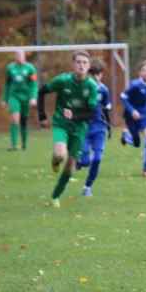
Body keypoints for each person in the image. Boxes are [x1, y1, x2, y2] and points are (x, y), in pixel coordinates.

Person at [37, 50, 99, 208]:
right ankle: (55, 158)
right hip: (61, 124)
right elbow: (42, 91)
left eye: (84, 63)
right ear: (73, 65)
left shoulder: (91, 86)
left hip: (79, 128)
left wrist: (75, 117)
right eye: (78, 62)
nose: (81, 66)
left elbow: (91, 113)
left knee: (70, 165)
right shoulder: (63, 81)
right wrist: (42, 115)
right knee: (60, 155)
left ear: (89, 66)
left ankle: (55, 196)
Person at [76, 58, 112, 197]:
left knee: (97, 159)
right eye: (93, 74)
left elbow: (106, 109)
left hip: (99, 128)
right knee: (85, 161)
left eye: (98, 74)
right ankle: (80, 161)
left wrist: (109, 126)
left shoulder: (104, 90)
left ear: (101, 75)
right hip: (84, 126)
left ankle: (87, 187)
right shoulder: (81, 88)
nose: (96, 77)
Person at [120, 60, 146, 176]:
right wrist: (132, 111)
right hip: (131, 116)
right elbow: (123, 97)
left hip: (145, 115)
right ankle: (126, 137)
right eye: (144, 70)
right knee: (137, 143)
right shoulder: (134, 85)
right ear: (139, 73)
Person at [1, 50, 38, 151]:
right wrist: (4, 99)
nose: (18, 56)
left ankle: (24, 145)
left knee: (23, 121)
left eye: (20, 54)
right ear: (14, 56)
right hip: (14, 97)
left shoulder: (30, 68)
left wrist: (33, 97)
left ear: (24, 56)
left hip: (26, 98)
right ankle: (13, 144)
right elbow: (7, 84)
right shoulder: (10, 68)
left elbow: (34, 84)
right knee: (15, 119)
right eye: (16, 55)